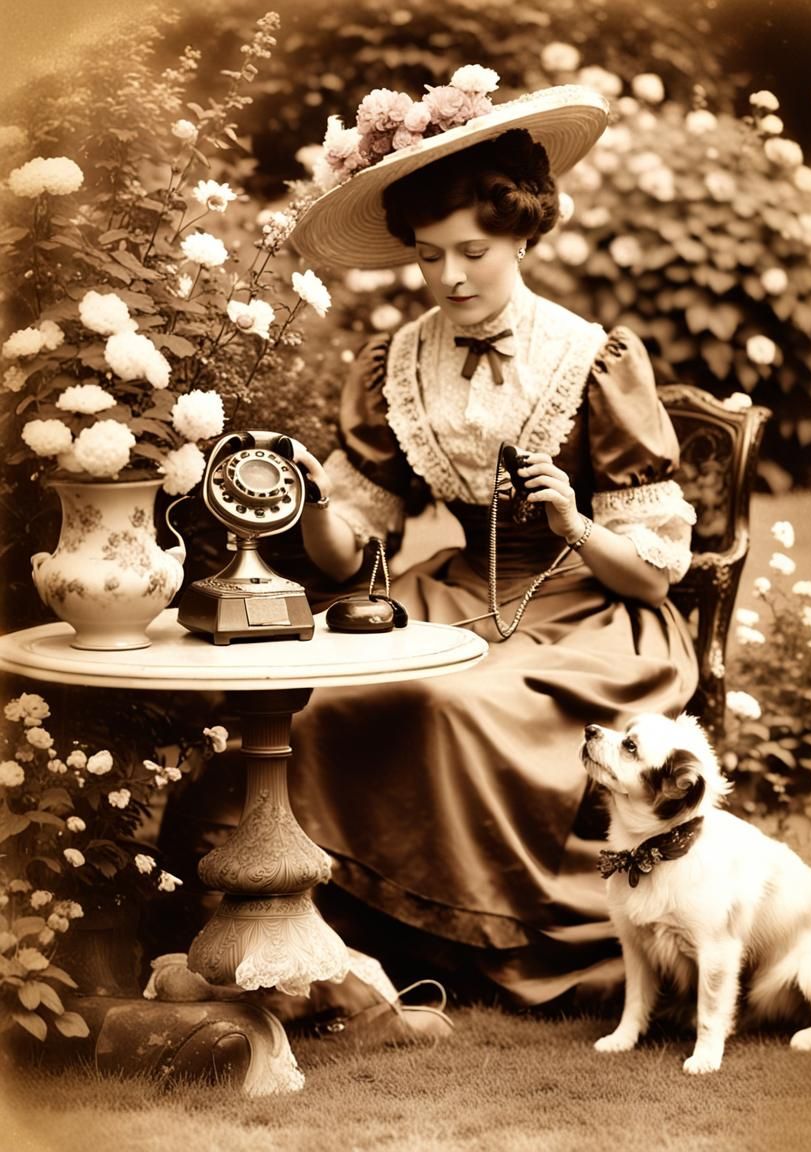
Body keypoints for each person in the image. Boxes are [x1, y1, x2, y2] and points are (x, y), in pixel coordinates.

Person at [159, 66, 699, 1015]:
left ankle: (468, 942)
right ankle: (310, 937)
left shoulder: (595, 360)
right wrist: (310, 496)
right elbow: (345, 556)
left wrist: (573, 520)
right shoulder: (396, 362)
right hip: (454, 592)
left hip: (589, 615)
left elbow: (653, 580)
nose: (450, 277)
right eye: (428, 257)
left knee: (456, 706)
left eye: (474, 251)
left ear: (523, 232)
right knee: (321, 704)